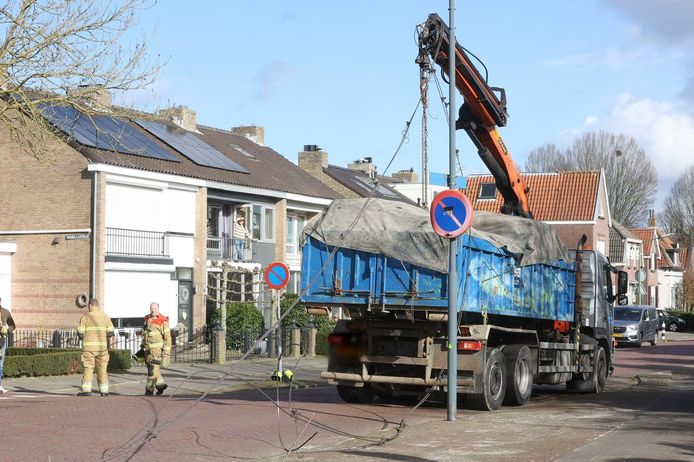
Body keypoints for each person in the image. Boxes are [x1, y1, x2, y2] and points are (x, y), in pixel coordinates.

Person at [76, 298, 115, 396]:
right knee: (102, 369)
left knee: (88, 368)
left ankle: (86, 391)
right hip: (102, 349)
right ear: (97, 306)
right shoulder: (105, 316)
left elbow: (80, 333)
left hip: (89, 349)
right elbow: (110, 332)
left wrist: (86, 338)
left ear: (90, 306)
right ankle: (104, 391)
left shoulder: (85, 317)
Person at [142, 302, 171, 396]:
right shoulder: (147, 318)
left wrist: (166, 352)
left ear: (158, 309)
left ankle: (149, 390)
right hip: (148, 351)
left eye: (155, 309)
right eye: (152, 309)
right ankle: (161, 386)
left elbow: (168, 338)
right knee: (151, 370)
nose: (153, 311)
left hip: (157, 351)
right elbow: (145, 333)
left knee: (153, 371)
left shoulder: (163, 320)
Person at [0, 297, 16, 394]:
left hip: (1, 341)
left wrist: (7, 330)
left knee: (0, 363)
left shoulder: (5, 312)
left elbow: (13, 325)